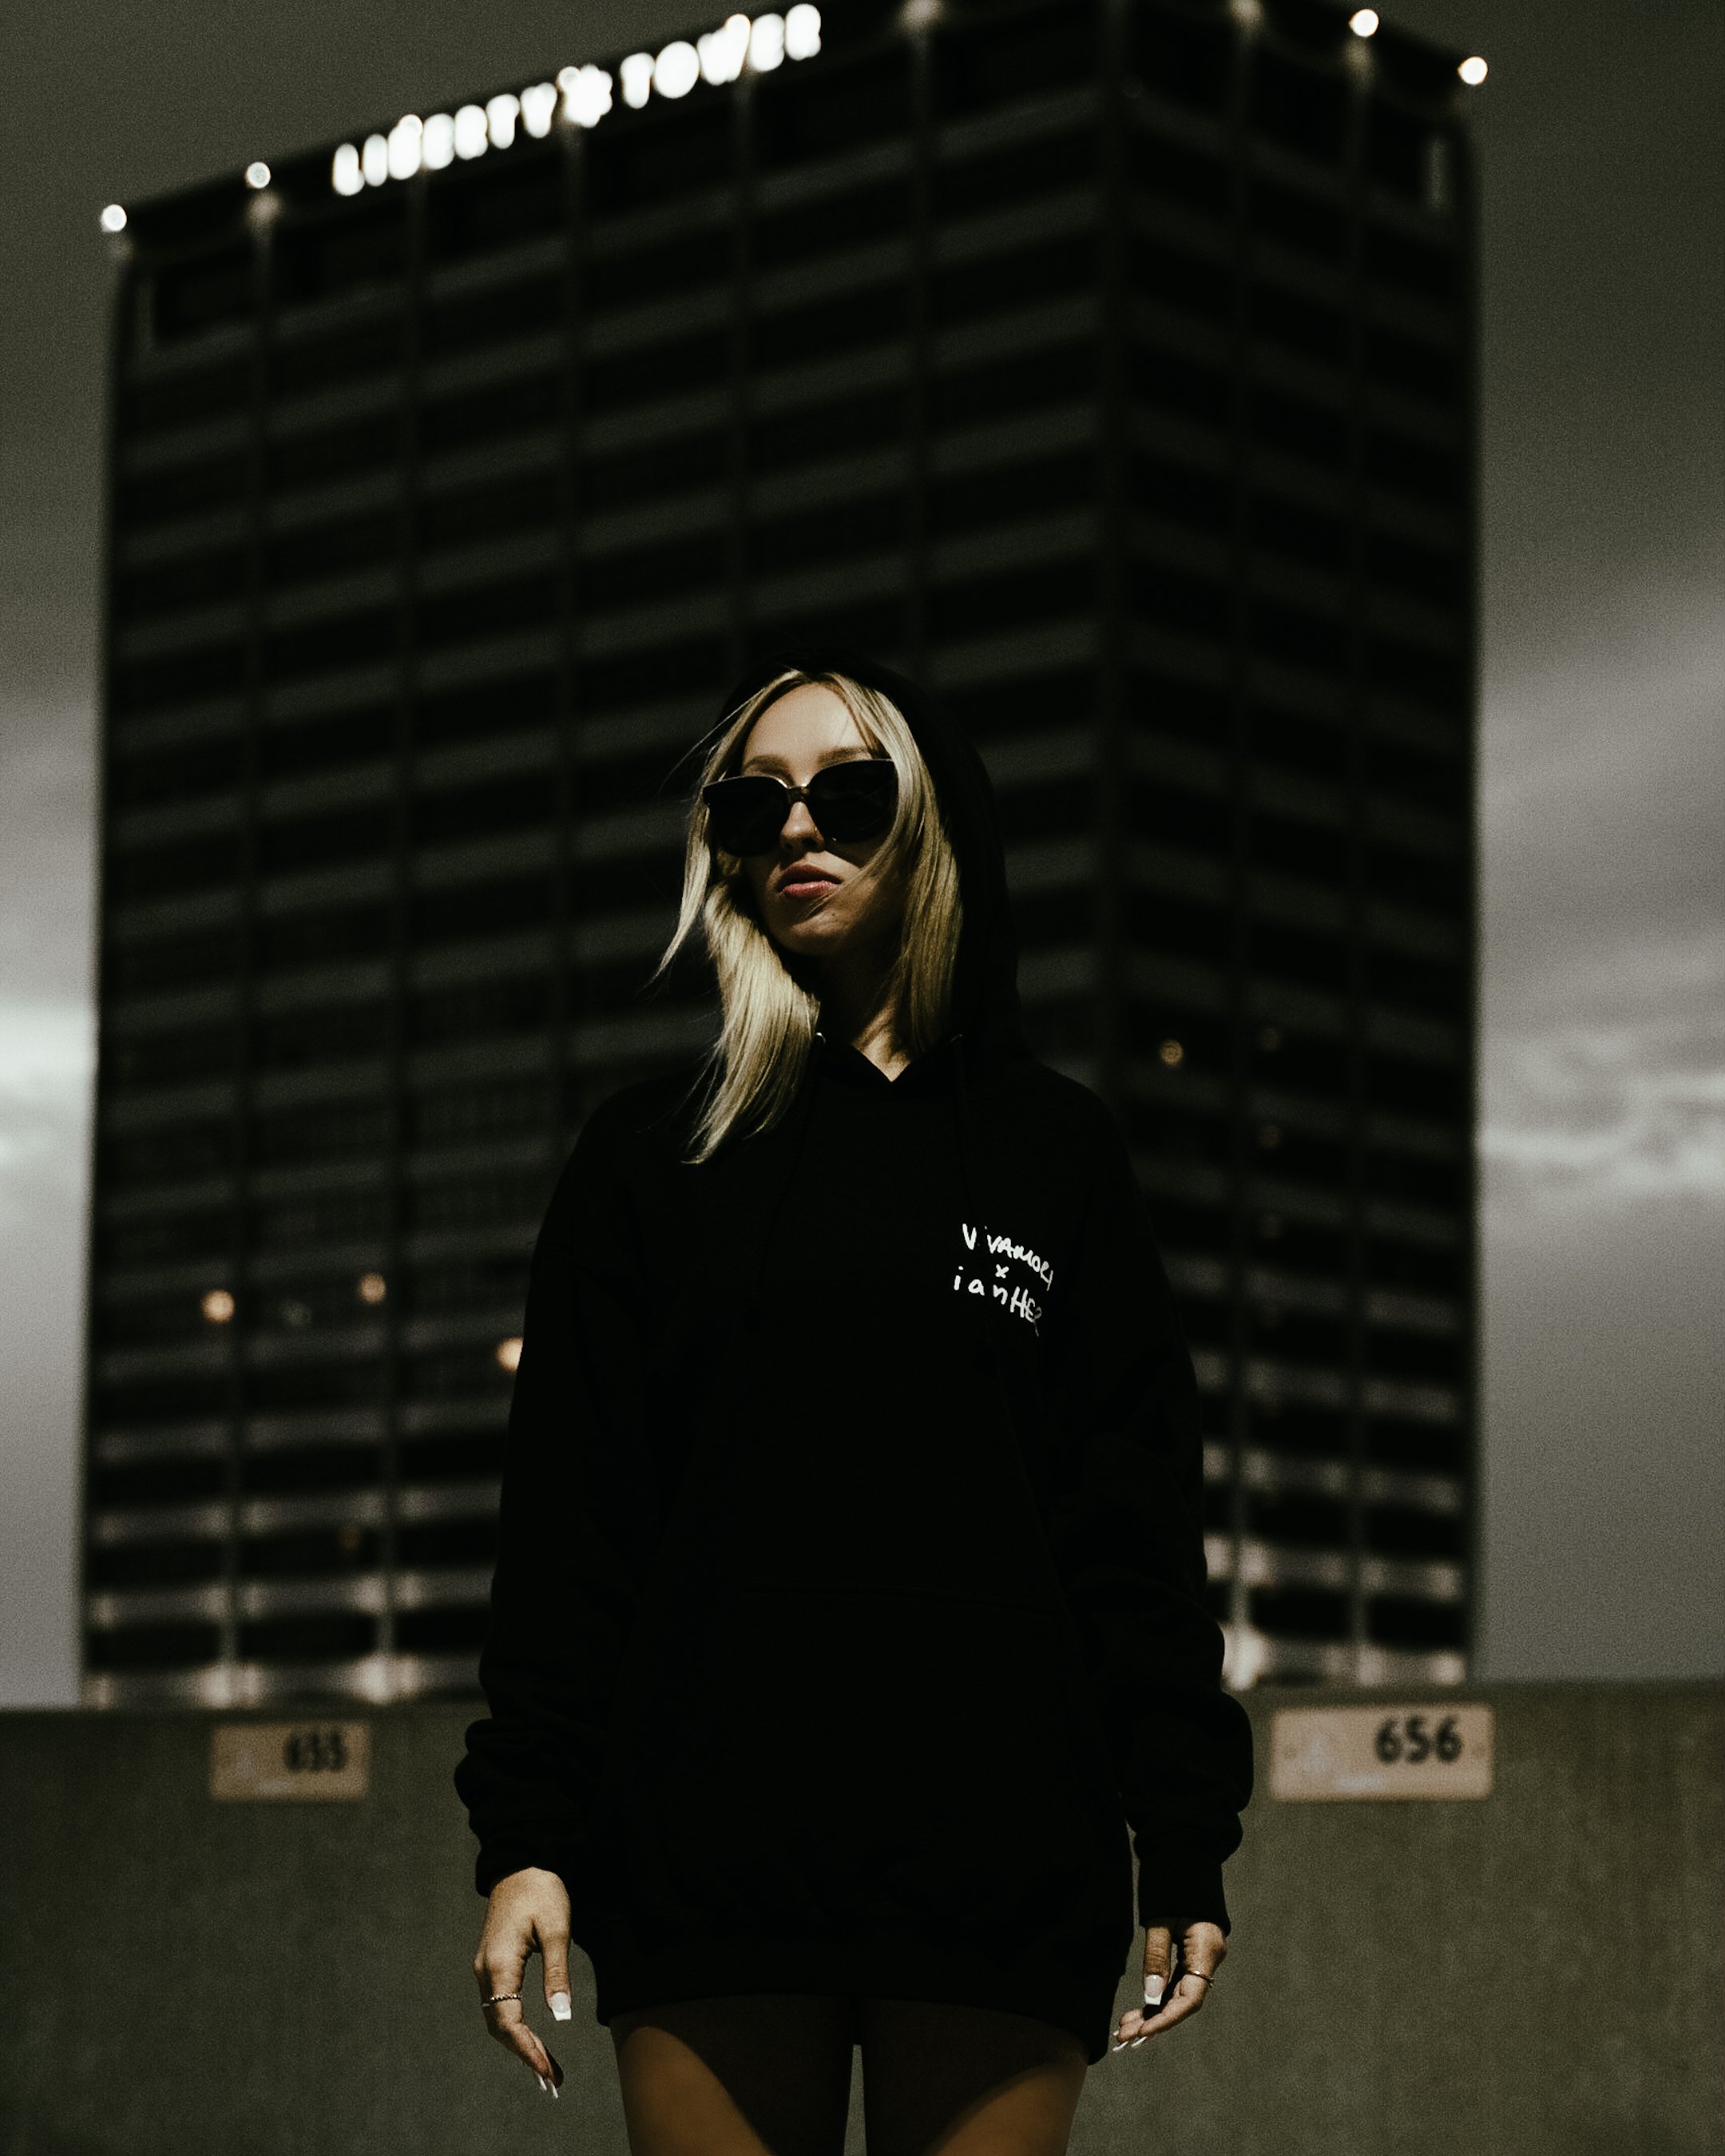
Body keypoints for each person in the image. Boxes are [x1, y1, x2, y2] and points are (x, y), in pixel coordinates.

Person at [453, 644, 1255, 2154]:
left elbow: (1132, 1533)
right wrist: (531, 1839)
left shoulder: (1054, 1154)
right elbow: (570, 1527)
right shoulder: (652, 1154)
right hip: (710, 1849)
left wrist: (1185, 1840)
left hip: (1003, 1851)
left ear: (935, 820)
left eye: (848, 791)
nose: (798, 831)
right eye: (754, 806)